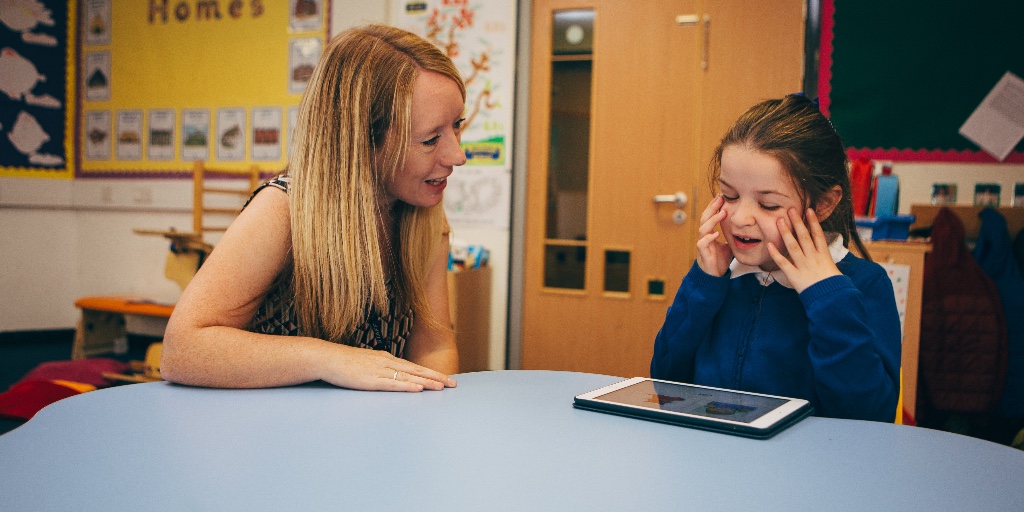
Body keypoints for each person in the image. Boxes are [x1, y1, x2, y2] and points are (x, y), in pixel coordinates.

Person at [160, 25, 466, 392]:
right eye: (431, 139)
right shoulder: (283, 210)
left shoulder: (424, 216)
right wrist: (329, 358)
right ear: (361, 141)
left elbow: (435, 344)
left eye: (457, 126)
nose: (457, 156)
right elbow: (182, 350)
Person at [650, 94, 901, 422]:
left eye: (768, 205)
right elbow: (665, 378)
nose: (740, 218)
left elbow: (869, 416)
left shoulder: (863, 284)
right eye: (729, 195)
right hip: (713, 459)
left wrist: (827, 295)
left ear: (823, 204)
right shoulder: (721, 276)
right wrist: (704, 282)